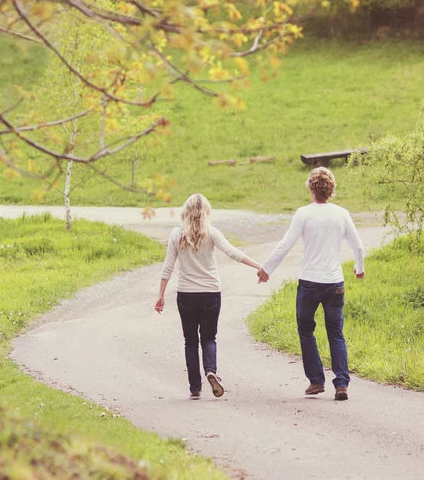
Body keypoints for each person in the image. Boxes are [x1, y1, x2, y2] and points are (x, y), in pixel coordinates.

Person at [258, 167, 365, 401]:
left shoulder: (303, 214)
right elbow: (358, 246)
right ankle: (342, 384)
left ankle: (316, 380)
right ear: (332, 189)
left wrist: (266, 269)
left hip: (309, 283)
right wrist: (360, 267)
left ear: (311, 188)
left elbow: (285, 245)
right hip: (334, 282)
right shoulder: (342, 214)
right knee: (335, 332)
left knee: (306, 330)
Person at [156, 193, 266, 399]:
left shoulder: (176, 234)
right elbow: (232, 252)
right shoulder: (212, 233)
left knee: (190, 341)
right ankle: (211, 371)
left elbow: (168, 267)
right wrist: (259, 266)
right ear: (206, 212)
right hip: (211, 294)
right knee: (209, 338)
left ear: (185, 211)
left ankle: (195, 389)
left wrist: (161, 295)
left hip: (186, 295)